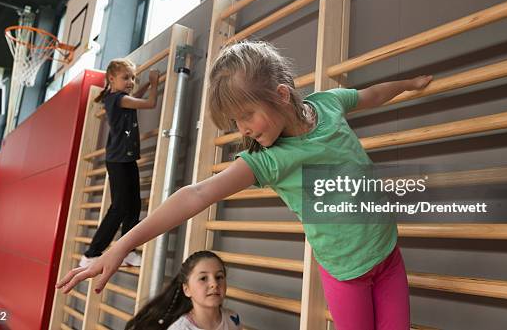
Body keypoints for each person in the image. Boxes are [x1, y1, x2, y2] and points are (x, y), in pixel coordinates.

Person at [59, 41, 432, 330]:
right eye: (236, 122)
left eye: (246, 116)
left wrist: (410, 84)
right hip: (346, 274)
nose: (244, 130)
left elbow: (372, 95)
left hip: (388, 253)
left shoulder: (329, 105)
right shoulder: (267, 160)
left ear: (282, 95)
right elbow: (196, 194)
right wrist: (121, 245)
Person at [79, 58, 160, 268]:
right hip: (118, 161)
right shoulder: (117, 99)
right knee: (119, 207)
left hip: (127, 158)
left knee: (134, 206)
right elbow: (149, 103)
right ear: (111, 79)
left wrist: (144, 86)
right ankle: (91, 254)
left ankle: (126, 251)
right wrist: (155, 82)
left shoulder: (121, 99)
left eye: (133, 77)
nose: (131, 81)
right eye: (126, 78)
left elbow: (136, 99)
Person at [125, 250, 242, 330]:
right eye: (203, 278)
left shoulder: (233, 318)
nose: (214, 284)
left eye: (219, 277)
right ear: (187, 290)